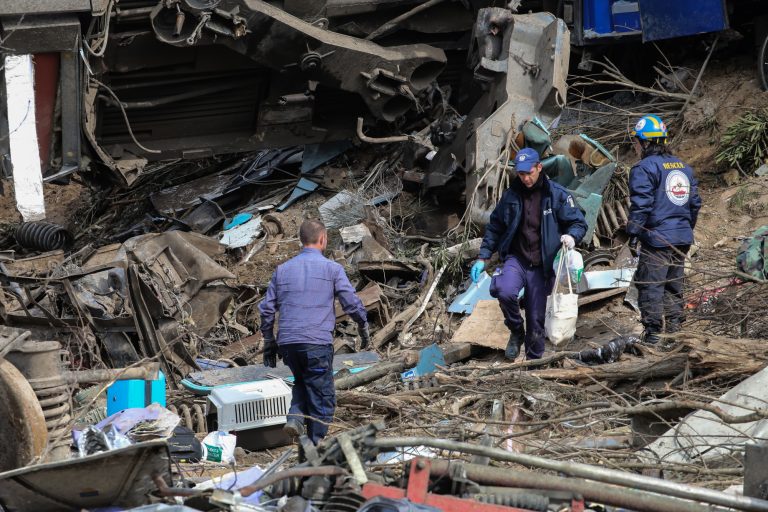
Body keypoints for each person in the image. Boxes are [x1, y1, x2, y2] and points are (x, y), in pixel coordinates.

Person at [470, 148, 588, 361]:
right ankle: (516, 330)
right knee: (503, 290)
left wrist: (572, 236)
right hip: (518, 258)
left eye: (529, 173)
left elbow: (578, 222)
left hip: (543, 265)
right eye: (521, 174)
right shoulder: (511, 195)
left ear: (539, 167)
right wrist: (483, 256)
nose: (525, 178)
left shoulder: (556, 194)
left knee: (536, 320)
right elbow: (495, 226)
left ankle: (533, 365)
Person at [259, 219, 370, 444]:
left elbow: (267, 309)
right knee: (322, 399)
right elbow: (351, 303)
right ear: (323, 239)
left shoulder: (282, 270)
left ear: (301, 240)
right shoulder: (333, 269)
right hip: (316, 343)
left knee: (302, 382)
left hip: (288, 344)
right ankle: (315, 447)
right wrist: (363, 326)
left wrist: (270, 340)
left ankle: (295, 417)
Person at [627, 115, 702, 344]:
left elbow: (642, 204)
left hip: (657, 238)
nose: (636, 146)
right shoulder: (684, 168)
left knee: (651, 285)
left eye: (637, 141)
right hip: (680, 238)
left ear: (645, 142)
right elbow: (695, 204)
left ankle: (653, 336)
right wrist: (684, 229)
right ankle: (675, 334)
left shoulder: (643, 168)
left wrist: (633, 233)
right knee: (674, 286)